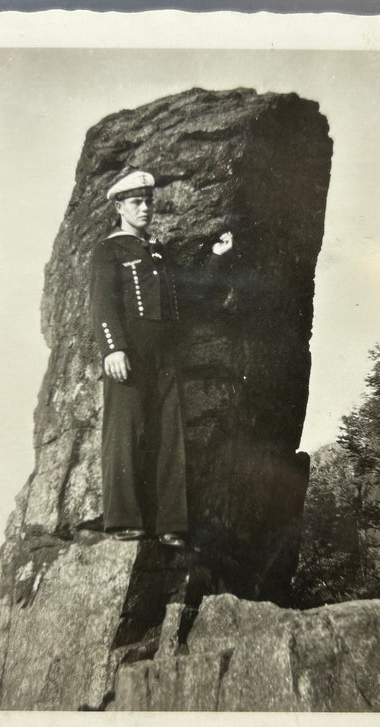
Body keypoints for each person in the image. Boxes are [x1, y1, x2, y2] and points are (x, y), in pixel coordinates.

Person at [90, 169, 232, 547]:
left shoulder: (158, 252)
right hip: (130, 354)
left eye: (148, 201)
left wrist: (217, 258)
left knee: (171, 437)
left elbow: (190, 297)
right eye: (136, 202)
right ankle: (122, 520)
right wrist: (113, 348)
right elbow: (103, 305)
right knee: (124, 433)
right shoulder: (108, 251)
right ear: (119, 206)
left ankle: (172, 524)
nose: (145, 208)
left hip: (166, 356)